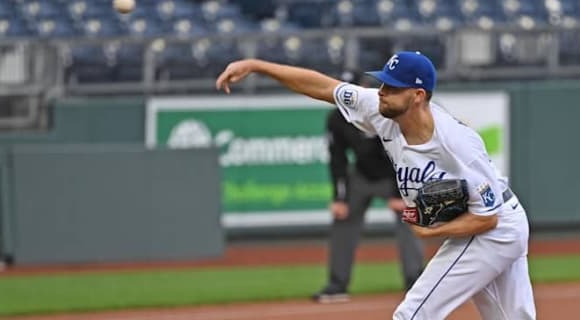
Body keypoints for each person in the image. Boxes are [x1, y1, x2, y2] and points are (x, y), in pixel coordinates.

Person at [216, 51, 536, 319]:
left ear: (417, 96)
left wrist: (432, 231)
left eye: (393, 86)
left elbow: (488, 218)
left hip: (495, 228)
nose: (382, 90)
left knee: (412, 314)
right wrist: (258, 66)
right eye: (383, 82)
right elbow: (323, 86)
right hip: (493, 222)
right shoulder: (377, 108)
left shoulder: (457, 143)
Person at [313, 72, 425, 304]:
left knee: (410, 219)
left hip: (394, 174)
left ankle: (416, 281)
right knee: (343, 220)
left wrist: (398, 192)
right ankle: (337, 284)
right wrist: (339, 197)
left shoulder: (382, 111)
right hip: (362, 175)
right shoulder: (336, 118)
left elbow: (403, 152)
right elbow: (338, 159)